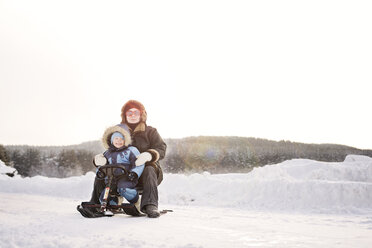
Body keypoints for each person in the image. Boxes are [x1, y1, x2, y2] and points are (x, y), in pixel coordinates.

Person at [91, 100, 167, 218]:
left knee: (149, 168)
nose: (132, 115)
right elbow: (111, 149)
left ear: (141, 114)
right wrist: (101, 159)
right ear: (124, 115)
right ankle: (96, 203)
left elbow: (161, 148)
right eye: (129, 113)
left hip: (144, 173)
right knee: (104, 170)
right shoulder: (118, 131)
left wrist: (149, 155)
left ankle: (150, 205)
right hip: (122, 170)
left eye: (135, 112)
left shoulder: (150, 131)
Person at [96, 125, 145, 212]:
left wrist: (134, 173)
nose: (119, 141)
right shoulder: (107, 153)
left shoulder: (131, 150)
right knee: (106, 193)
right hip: (111, 178)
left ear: (125, 140)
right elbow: (102, 165)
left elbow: (138, 163)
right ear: (112, 140)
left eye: (121, 139)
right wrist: (100, 172)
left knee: (124, 189)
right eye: (116, 139)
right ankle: (111, 205)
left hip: (126, 177)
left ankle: (136, 202)